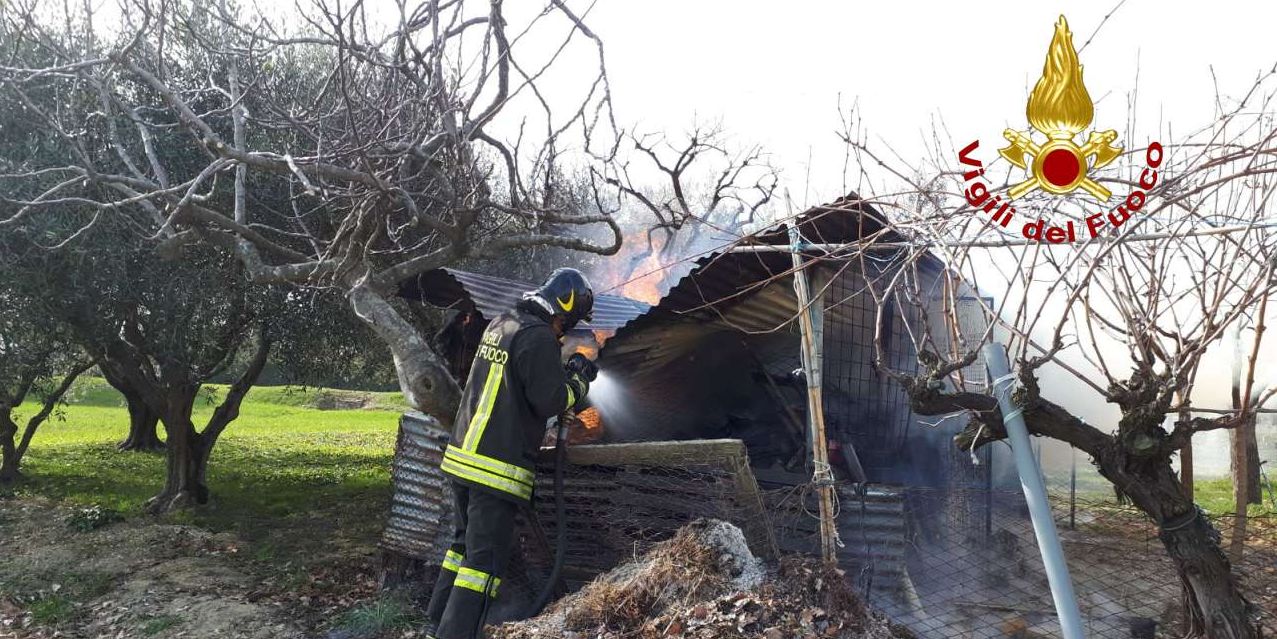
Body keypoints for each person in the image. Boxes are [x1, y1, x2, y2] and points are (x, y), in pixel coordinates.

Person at [426, 268, 598, 639]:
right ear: (564, 311)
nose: (564, 331)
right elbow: (551, 400)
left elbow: (517, 380)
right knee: (482, 567)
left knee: (461, 550)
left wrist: (560, 371)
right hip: (494, 469)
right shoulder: (538, 336)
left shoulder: (502, 323)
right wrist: (578, 381)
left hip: (463, 459)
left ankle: (434, 624)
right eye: (568, 323)